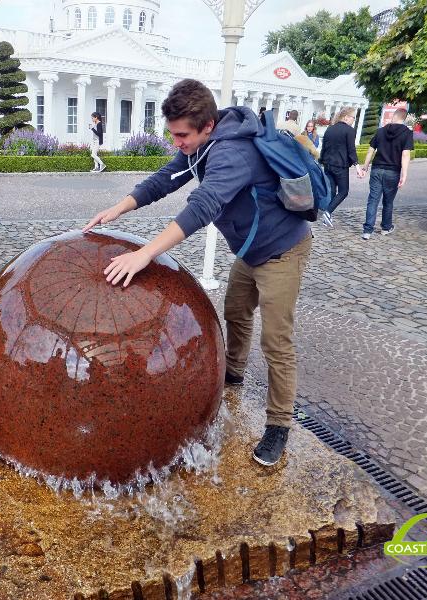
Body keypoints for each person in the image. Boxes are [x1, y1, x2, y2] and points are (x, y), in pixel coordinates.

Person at [83, 78, 312, 467]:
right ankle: (234, 373)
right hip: (250, 250)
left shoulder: (231, 154)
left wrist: (144, 255)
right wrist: (118, 209)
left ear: (208, 125)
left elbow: (202, 207)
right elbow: (164, 180)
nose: (177, 142)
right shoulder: (202, 145)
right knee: (236, 310)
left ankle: (278, 426)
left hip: (281, 251)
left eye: (182, 135)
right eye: (172, 134)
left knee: (277, 340)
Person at [359, 107, 414, 239]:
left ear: (393, 116)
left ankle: (367, 231)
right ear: (404, 118)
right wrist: (404, 174)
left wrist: (365, 166)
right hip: (393, 171)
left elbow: (370, 150)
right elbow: (405, 154)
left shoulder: (381, 131)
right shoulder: (406, 133)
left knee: (372, 200)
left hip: (377, 169)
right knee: (388, 201)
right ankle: (385, 227)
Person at [318, 107, 364, 227]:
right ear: (346, 117)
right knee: (343, 191)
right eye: (353, 117)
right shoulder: (349, 130)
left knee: (332, 191)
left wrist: (321, 161)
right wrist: (358, 167)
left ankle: (327, 217)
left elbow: (324, 147)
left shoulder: (330, 129)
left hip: (328, 164)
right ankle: (327, 213)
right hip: (340, 166)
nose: (354, 120)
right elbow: (351, 150)